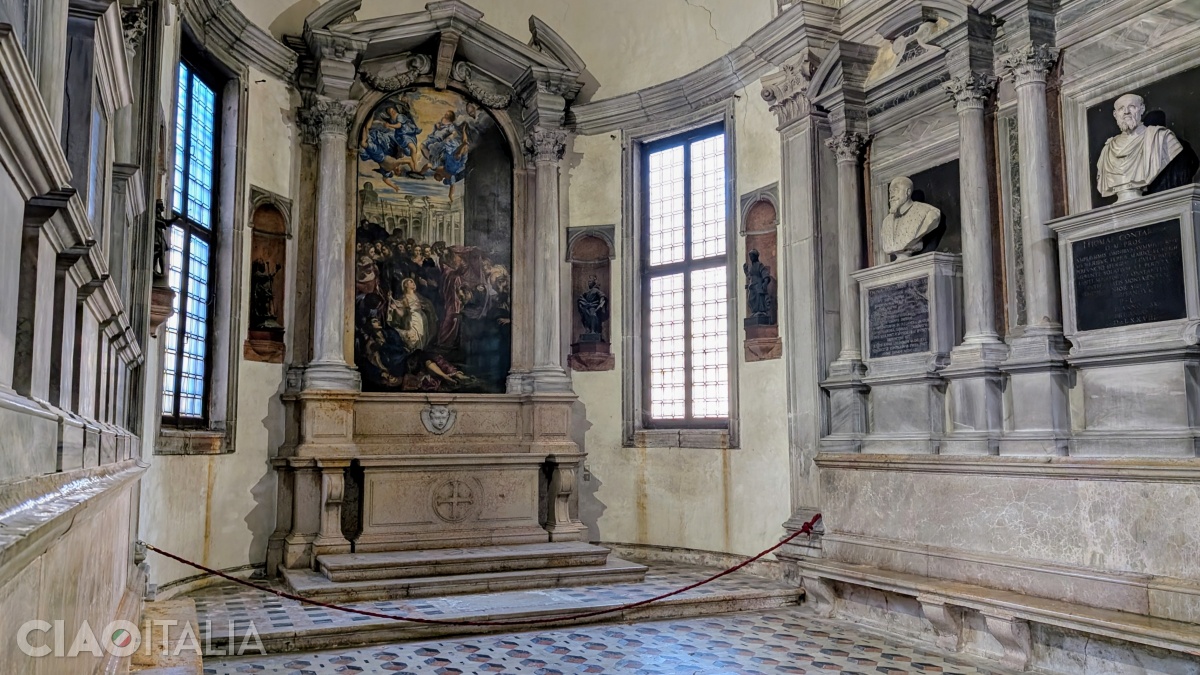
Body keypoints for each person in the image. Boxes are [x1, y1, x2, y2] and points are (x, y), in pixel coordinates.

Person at [1097, 93, 1184, 202]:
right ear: (1115, 114)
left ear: (1142, 109)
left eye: (1132, 107)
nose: (1126, 112)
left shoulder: (1161, 138)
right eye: (1121, 109)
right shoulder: (1107, 150)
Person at [880, 176, 941, 260]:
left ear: (908, 192)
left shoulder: (928, 213)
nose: (891, 196)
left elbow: (933, 219)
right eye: (890, 191)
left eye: (896, 190)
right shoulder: (886, 221)